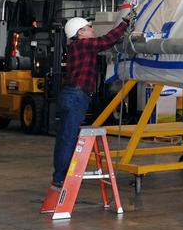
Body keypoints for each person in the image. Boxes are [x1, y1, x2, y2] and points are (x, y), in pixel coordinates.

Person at [52, 11, 130, 189]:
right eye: (89, 27)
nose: (92, 29)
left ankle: (59, 176)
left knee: (65, 137)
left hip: (71, 95)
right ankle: (60, 178)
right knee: (69, 138)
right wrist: (124, 24)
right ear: (80, 32)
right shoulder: (84, 44)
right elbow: (106, 40)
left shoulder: (76, 46)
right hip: (76, 96)